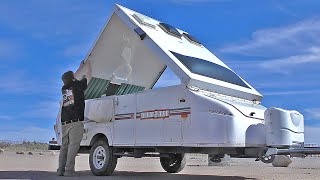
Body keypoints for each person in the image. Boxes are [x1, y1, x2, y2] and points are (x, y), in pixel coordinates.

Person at [57, 60, 92, 176]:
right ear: (72, 78)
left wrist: (80, 67)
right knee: (73, 146)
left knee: (64, 147)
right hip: (75, 121)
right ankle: (69, 170)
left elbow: (73, 77)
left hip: (64, 121)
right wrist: (88, 66)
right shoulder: (77, 86)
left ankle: (60, 170)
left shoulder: (64, 88)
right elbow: (89, 77)